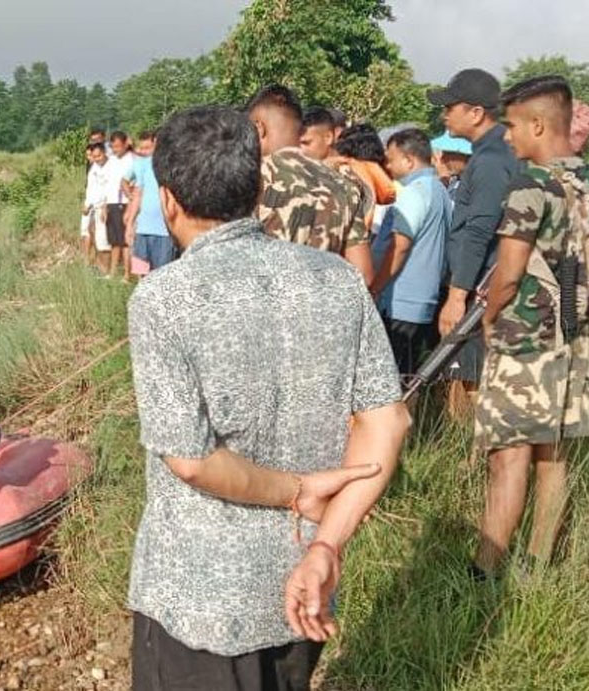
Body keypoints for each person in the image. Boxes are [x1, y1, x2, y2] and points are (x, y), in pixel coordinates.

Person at [128, 105, 410, 691]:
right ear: (258, 186)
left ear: (168, 200)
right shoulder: (337, 280)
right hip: (301, 579)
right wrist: (327, 542)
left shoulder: (163, 299)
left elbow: (194, 460)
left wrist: (297, 490)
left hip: (196, 598)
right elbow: (388, 423)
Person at [473, 76, 589, 577]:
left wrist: (492, 317)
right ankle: (538, 566)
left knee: (508, 456)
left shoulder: (530, 184)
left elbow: (510, 269)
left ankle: (486, 567)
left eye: (513, 125)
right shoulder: (583, 182)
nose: (507, 136)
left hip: (525, 343)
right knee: (553, 456)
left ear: (539, 124)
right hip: (575, 339)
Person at [429, 69, 520, 414]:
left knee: (473, 382)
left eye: (450, 107)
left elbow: (479, 231)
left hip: (480, 291)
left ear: (476, 112)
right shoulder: (492, 153)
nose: (444, 114)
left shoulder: (491, 161)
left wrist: (456, 296)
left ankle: (472, 463)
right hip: (482, 287)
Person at [247, 85, 373, 286]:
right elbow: (364, 274)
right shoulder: (345, 186)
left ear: (259, 128)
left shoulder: (252, 177)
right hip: (322, 311)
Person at [374, 128, 452, 375]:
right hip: (422, 299)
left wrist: (375, 287)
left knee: (393, 378)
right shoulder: (439, 189)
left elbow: (400, 246)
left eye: (391, 158)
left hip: (400, 301)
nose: (387, 164)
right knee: (407, 374)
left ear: (408, 160)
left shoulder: (415, 192)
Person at [124, 131, 177, 273]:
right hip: (143, 229)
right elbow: (138, 194)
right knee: (142, 272)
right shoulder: (143, 165)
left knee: (162, 273)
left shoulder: (174, 166)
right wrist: (130, 224)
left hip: (165, 231)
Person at [103, 131, 135, 278]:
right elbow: (107, 184)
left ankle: (127, 275)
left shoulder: (132, 160)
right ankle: (113, 272)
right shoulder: (111, 160)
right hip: (112, 203)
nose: (115, 150)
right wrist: (105, 206)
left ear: (125, 144)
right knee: (114, 241)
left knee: (125, 241)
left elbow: (133, 183)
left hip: (125, 202)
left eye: (118, 146)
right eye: (113, 147)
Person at [82, 142, 111, 268]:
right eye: (94, 156)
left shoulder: (111, 167)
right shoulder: (93, 168)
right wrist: (87, 204)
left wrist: (106, 205)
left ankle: (107, 269)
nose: (96, 159)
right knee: (93, 235)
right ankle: (101, 267)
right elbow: (91, 188)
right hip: (94, 207)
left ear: (104, 153)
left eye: (99, 156)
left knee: (104, 240)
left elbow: (111, 189)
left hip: (105, 207)